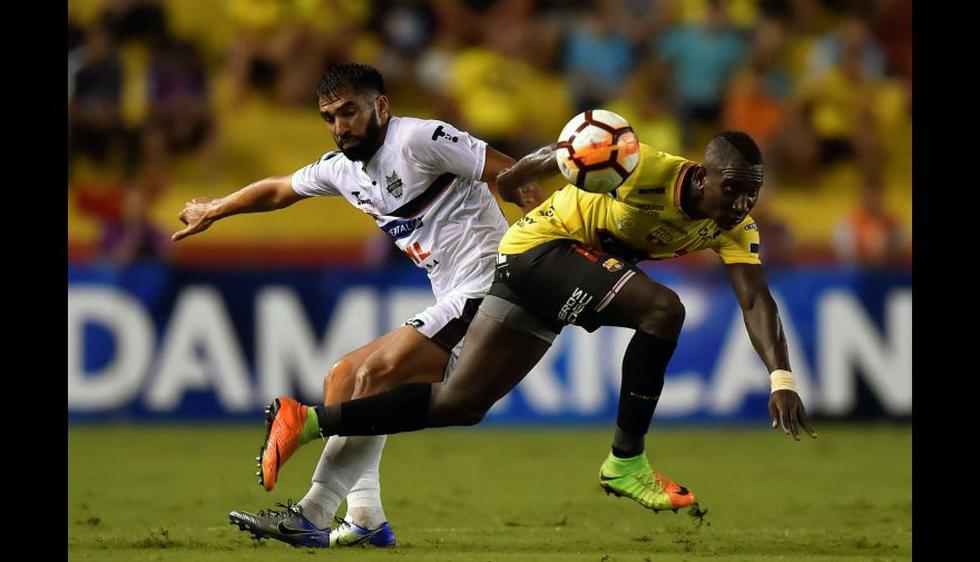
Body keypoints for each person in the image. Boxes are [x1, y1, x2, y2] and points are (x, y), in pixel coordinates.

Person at [261, 129, 818, 520]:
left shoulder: (733, 227)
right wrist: (552, 158)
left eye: (754, 191)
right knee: (663, 309)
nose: (743, 202)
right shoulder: (639, 165)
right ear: (703, 175)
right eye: (733, 188)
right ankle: (627, 462)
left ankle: (307, 420)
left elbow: (756, 301)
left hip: (558, 273)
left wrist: (782, 378)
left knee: (460, 402)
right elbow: (525, 175)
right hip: (538, 249)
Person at [171, 63, 540, 548]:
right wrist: (215, 209)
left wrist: (544, 232)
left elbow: (506, 171)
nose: (340, 125)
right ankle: (366, 518)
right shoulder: (341, 170)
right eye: (329, 116)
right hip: (451, 295)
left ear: (380, 106)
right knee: (342, 380)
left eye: (349, 111)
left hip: (488, 288)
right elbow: (279, 189)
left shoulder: (418, 139)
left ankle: (313, 512)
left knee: (371, 376)